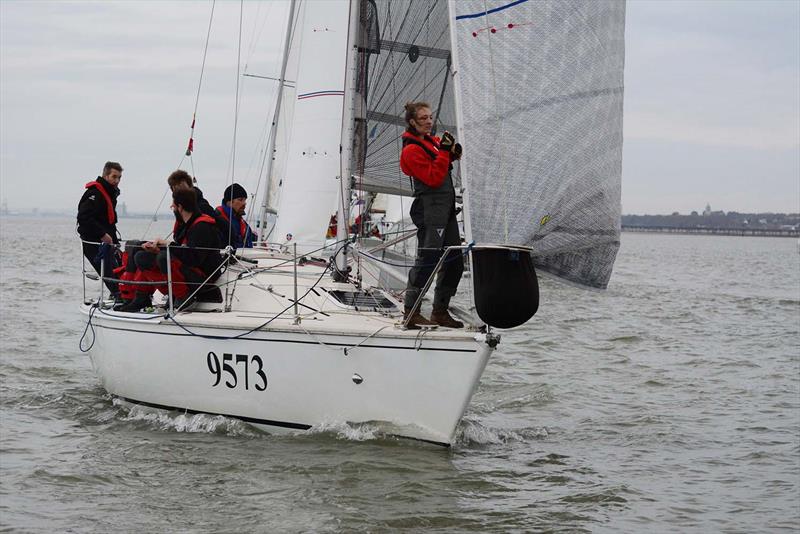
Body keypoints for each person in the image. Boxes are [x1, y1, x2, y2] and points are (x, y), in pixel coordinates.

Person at [400, 102, 464, 329]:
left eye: (430, 117)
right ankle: (411, 312)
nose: (429, 121)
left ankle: (440, 312)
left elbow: (441, 160)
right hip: (429, 209)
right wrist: (446, 152)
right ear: (412, 122)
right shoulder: (411, 150)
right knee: (428, 260)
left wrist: (452, 154)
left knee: (455, 260)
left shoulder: (431, 142)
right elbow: (434, 178)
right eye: (423, 118)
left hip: (445, 209)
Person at [115, 189, 222, 312]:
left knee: (163, 258)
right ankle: (143, 297)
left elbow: (193, 258)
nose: (172, 206)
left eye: (173, 205)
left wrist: (168, 245)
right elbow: (184, 254)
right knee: (142, 256)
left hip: (203, 278)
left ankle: (183, 296)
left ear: (180, 207)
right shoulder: (188, 224)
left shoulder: (202, 227)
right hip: (190, 271)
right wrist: (157, 248)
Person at [77, 161, 123, 296]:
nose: (117, 181)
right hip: (94, 242)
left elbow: (109, 222)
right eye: (114, 177)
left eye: (119, 177)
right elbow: (83, 217)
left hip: (107, 242)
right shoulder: (95, 193)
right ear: (106, 175)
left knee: (119, 271)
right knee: (110, 274)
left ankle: (121, 295)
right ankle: (118, 296)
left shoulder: (110, 193)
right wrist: (102, 234)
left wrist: (114, 242)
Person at [215, 183, 257, 249]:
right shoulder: (217, 221)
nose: (244, 203)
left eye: (245, 200)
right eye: (240, 200)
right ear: (229, 202)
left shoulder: (244, 225)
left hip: (244, 257)